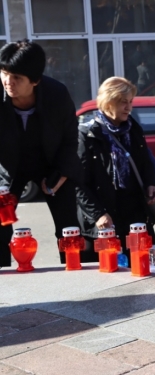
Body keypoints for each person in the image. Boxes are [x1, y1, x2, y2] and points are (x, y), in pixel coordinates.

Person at [0, 39, 84, 266]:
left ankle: (76, 271)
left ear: (35, 80)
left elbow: (70, 139)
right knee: (0, 225)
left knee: (69, 225)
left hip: (51, 163)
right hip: (8, 167)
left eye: (17, 77)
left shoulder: (57, 95)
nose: (8, 82)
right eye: (4, 73)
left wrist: (63, 172)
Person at [76, 76, 155, 264]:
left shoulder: (133, 128)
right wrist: (97, 214)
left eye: (130, 102)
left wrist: (152, 183)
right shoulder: (87, 134)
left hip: (135, 212)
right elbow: (78, 183)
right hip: (105, 214)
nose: (129, 107)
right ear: (108, 101)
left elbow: (145, 162)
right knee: (110, 272)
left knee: (144, 268)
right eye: (123, 102)